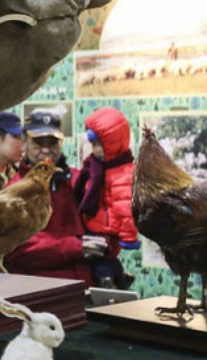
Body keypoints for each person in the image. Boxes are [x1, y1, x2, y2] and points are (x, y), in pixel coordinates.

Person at [4, 108, 102, 286]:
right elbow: (19, 250)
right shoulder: (15, 191)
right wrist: (76, 247)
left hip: (83, 290)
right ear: (25, 142)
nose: (46, 150)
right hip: (41, 294)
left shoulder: (76, 180)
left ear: (62, 142)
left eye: (52, 143)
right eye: (39, 143)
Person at [75, 107, 139, 290]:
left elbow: (126, 206)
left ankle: (107, 281)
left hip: (106, 227)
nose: (95, 150)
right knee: (107, 257)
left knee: (99, 260)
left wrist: (128, 236)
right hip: (97, 222)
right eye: (93, 145)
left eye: (99, 145)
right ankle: (119, 276)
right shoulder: (96, 166)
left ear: (113, 143)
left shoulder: (122, 172)